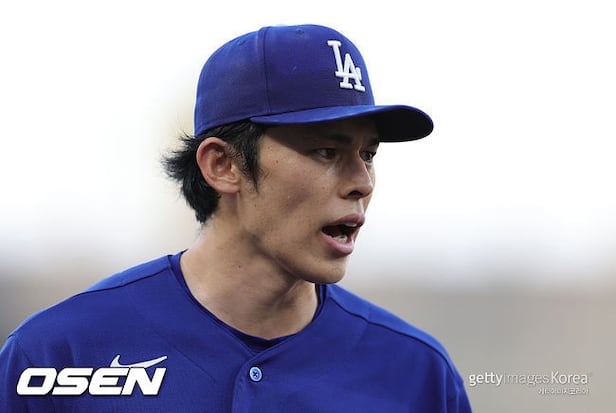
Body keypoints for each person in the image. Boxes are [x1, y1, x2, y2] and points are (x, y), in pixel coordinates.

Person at [0, 24, 472, 411]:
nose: (361, 182)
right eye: (327, 151)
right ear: (223, 165)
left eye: (368, 154)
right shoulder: (58, 356)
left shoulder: (419, 374)